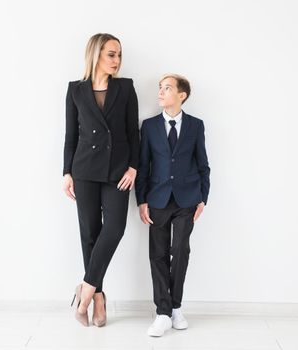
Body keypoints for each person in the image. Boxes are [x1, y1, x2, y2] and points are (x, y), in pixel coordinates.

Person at [63, 33, 139, 327]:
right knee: (90, 234)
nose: (117, 60)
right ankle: (98, 298)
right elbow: (70, 135)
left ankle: (86, 288)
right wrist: (66, 172)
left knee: (115, 228)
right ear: (95, 54)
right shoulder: (75, 90)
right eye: (111, 54)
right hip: (84, 171)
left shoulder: (125, 87)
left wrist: (133, 167)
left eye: (119, 54)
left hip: (118, 171)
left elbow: (133, 132)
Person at [135, 74, 210, 337]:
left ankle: (175, 306)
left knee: (180, 250)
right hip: (157, 199)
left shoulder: (195, 126)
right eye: (159, 88)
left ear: (182, 95)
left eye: (167, 88)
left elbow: (203, 165)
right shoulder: (150, 126)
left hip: (187, 199)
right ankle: (163, 312)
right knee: (156, 254)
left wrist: (203, 198)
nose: (161, 92)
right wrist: (141, 200)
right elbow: (143, 166)